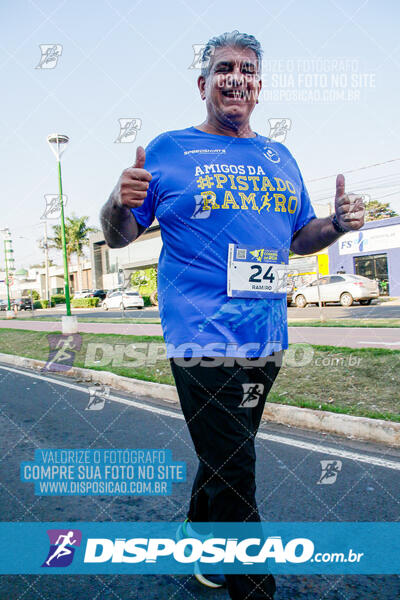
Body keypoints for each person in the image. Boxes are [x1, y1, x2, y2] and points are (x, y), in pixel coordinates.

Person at [101, 30, 365, 600]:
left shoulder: (280, 156)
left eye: (246, 69)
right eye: (224, 68)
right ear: (204, 83)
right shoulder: (170, 150)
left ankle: (197, 531)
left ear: (259, 86)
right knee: (238, 469)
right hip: (202, 339)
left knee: (225, 456)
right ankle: (252, 587)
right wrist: (116, 203)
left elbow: (301, 237)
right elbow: (120, 238)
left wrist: (339, 226)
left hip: (265, 338)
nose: (235, 78)